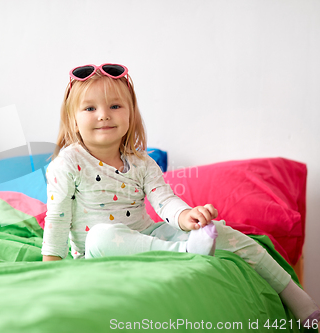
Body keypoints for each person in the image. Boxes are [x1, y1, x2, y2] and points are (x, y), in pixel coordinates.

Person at [41, 63, 320, 326]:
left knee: (223, 231)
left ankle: (302, 304)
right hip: (100, 250)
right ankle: (185, 251)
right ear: (73, 120)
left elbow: (165, 201)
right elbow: (56, 218)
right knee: (100, 235)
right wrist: (50, 269)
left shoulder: (142, 163)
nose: (103, 114)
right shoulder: (67, 163)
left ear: (130, 114)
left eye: (115, 105)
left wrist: (187, 217)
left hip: (149, 236)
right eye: (90, 108)